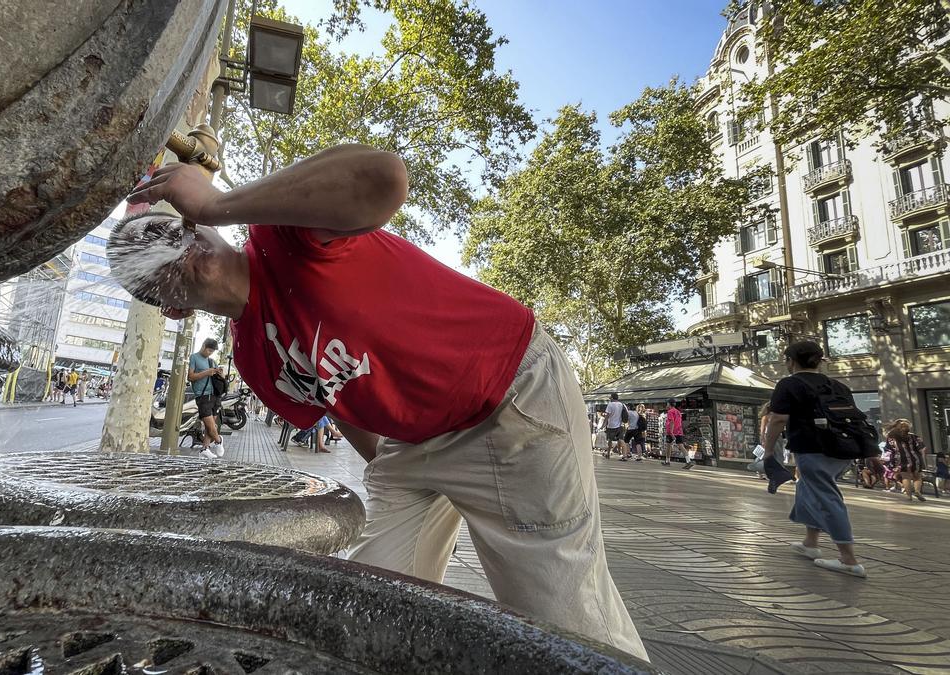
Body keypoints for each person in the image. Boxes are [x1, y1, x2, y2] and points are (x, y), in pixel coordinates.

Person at [117, 144, 647, 659]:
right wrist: (399, 472)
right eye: (155, 263)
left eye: (174, 229)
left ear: (202, 225)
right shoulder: (254, 360)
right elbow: (340, 405)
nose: (171, 245)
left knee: (565, 618)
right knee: (375, 605)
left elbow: (383, 177)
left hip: (507, 400)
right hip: (412, 448)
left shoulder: (285, 230)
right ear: (173, 310)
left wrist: (216, 201)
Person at [760, 341, 869, 578]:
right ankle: (810, 543)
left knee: (826, 496)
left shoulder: (789, 384)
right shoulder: (837, 385)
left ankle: (848, 558)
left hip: (811, 448)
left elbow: (778, 419)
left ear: (790, 361)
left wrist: (768, 451)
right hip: (843, 450)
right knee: (807, 489)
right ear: (819, 360)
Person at [188, 337, 225, 459]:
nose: (210, 353)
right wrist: (206, 372)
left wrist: (219, 373)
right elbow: (191, 377)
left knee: (211, 426)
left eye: (212, 351)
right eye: (209, 350)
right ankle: (219, 441)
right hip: (202, 396)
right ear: (203, 346)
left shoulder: (212, 361)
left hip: (215, 395)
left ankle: (205, 448)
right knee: (211, 426)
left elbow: (220, 377)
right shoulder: (194, 357)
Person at [885, 419, 927, 503]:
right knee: (917, 476)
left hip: (901, 459)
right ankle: (917, 491)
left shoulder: (891, 438)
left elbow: (889, 449)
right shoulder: (914, 436)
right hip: (915, 459)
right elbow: (922, 448)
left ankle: (908, 496)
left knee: (905, 477)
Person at [601, 393, 627, 460]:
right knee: (621, 440)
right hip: (620, 425)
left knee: (610, 440)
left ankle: (608, 454)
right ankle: (624, 456)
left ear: (612, 398)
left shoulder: (610, 404)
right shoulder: (621, 404)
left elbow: (607, 416)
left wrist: (603, 425)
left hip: (611, 425)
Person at [662, 400, 688, 468]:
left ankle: (667, 461)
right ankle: (688, 461)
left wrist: (671, 432)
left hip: (671, 432)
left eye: (667, 404)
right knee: (681, 446)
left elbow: (672, 422)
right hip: (679, 431)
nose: (666, 406)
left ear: (669, 404)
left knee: (668, 446)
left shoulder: (670, 411)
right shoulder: (678, 412)